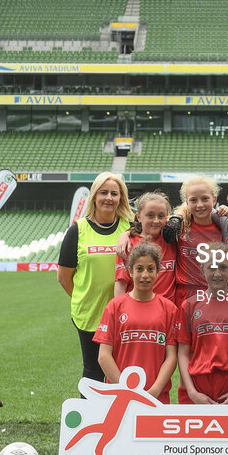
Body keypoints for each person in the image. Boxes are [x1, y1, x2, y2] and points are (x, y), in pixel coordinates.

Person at [57, 172, 133, 385]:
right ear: (94, 197)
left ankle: (121, 417)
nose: (109, 197)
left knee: (123, 370)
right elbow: (63, 277)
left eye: (114, 193)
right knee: (93, 370)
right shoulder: (77, 231)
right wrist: (83, 298)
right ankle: (90, 417)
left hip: (124, 315)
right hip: (89, 315)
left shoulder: (130, 227)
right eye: (103, 192)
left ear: (121, 198)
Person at [94, 241, 179, 404]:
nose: (145, 275)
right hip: (118, 396)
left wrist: (154, 390)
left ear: (158, 271)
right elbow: (103, 356)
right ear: (130, 272)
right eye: (139, 269)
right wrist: (125, 389)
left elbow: (171, 357)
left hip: (156, 397)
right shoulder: (115, 306)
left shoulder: (169, 309)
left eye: (150, 269)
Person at [177, 242, 228, 405]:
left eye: (223, 267)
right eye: (211, 267)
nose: (217, 273)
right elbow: (183, 353)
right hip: (198, 388)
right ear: (202, 269)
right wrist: (192, 392)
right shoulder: (189, 305)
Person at [168, 175, 224, 305]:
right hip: (184, 294)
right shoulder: (179, 226)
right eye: (193, 200)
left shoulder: (224, 226)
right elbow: (149, 227)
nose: (200, 205)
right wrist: (126, 235)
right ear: (187, 203)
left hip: (214, 294)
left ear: (214, 199)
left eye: (205, 199)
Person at [114, 191, 176, 304]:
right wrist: (119, 311)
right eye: (150, 215)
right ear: (138, 217)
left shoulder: (172, 241)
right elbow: (120, 284)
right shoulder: (128, 244)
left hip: (167, 312)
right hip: (137, 310)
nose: (156, 220)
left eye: (161, 216)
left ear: (167, 218)